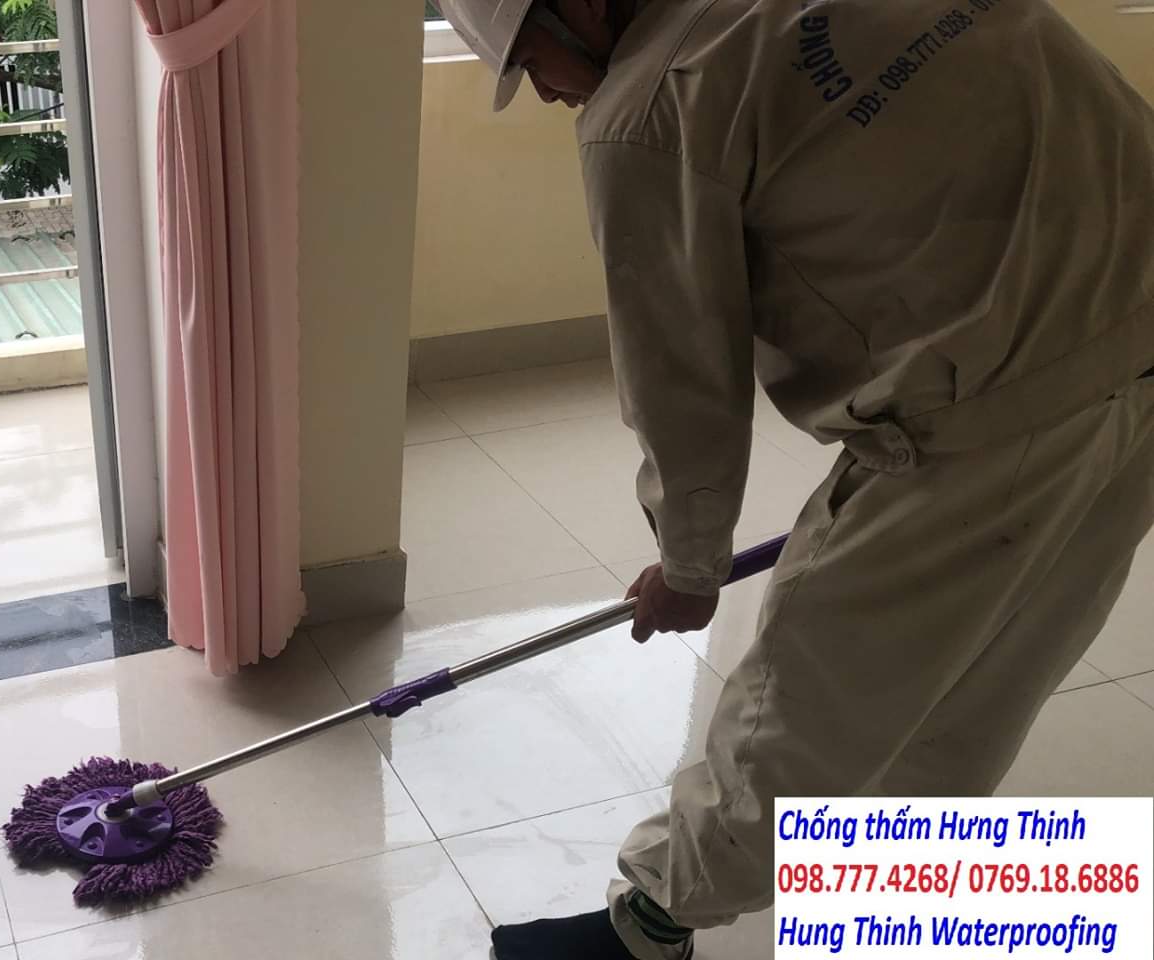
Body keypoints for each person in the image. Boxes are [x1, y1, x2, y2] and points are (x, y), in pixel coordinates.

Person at [433, 1, 1154, 958]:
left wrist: (690, 569)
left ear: (582, 6)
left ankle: (647, 929)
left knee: (800, 713)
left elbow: (681, 381)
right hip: (1136, 338)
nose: (548, 93)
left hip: (984, 421)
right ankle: (904, 908)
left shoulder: (649, 109)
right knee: (979, 682)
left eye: (532, 61)